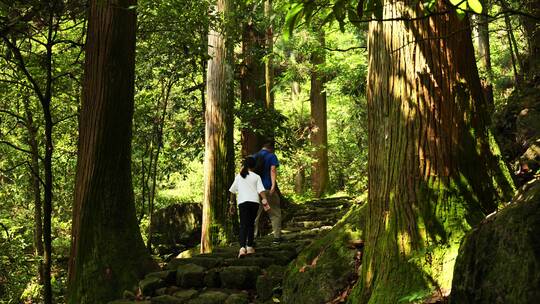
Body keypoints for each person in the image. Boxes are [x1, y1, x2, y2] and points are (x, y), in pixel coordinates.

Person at [229, 156, 269, 258]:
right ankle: (250, 247)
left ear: (245, 165)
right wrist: (265, 203)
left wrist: (231, 204)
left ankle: (242, 248)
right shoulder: (256, 177)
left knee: (243, 225)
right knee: (251, 224)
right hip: (254, 202)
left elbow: (232, 191)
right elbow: (261, 191)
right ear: (253, 166)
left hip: (243, 203)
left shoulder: (239, 176)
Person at [253, 140, 282, 243]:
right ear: (271, 148)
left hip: (255, 190)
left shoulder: (254, 156)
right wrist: (273, 186)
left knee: (255, 214)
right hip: (267, 189)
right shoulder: (271, 156)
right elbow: (273, 170)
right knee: (275, 213)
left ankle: (252, 238)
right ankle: (277, 237)